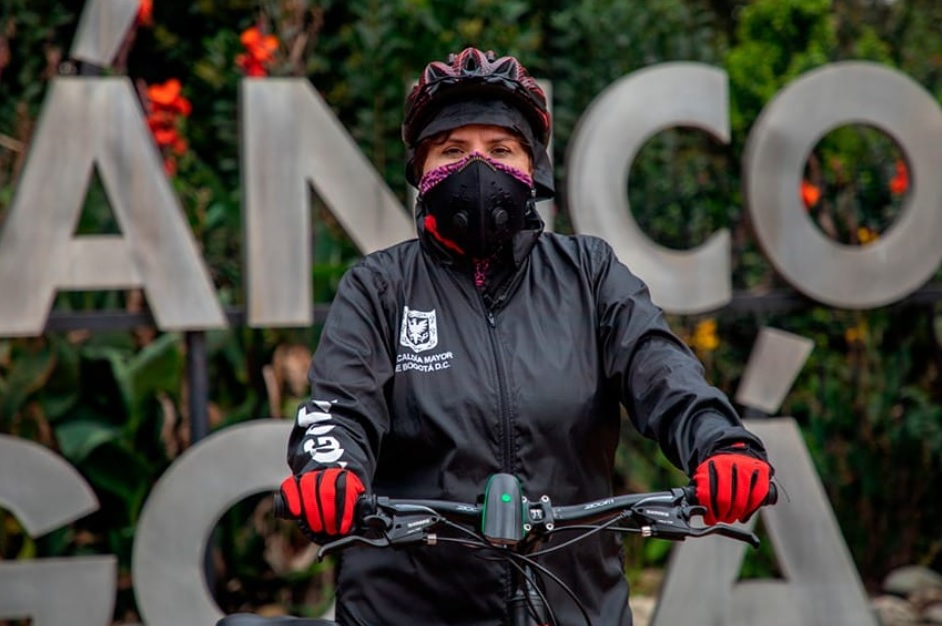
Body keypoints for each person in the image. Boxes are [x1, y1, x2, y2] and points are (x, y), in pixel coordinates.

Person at [280, 47, 773, 626]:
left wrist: (721, 445)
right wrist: (328, 472)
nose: (477, 167)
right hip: (406, 607)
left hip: (575, 606)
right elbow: (340, 407)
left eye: (500, 149)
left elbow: (661, 370)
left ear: (532, 167)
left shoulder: (589, 274)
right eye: (452, 150)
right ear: (420, 170)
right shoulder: (379, 286)